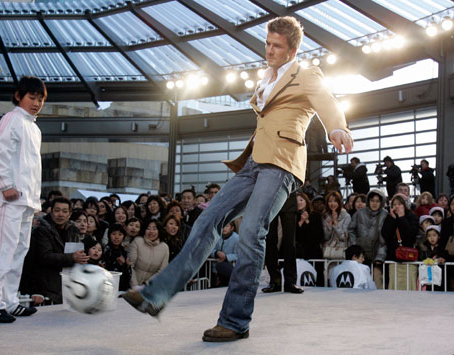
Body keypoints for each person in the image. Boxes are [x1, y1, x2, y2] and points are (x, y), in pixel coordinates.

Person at [122, 15, 353, 342]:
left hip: (283, 164)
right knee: (207, 220)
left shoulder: (307, 74)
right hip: (255, 162)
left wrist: (337, 127)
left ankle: (235, 320)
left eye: (277, 46)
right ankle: (155, 295)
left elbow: (327, 102)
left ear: (293, 49)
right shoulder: (268, 76)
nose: (269, 50)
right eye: (267, 43)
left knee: (251, 234)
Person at [0, 76, 46, 323]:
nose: (37, 103)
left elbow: (31, 168)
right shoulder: (11, 119)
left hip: (26, 200)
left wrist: (34, 201)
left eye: (40, 99)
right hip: (10, 197)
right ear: (19, 96)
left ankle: (9, 300)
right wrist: (4, 184)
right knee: (4, 250)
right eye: (32, 97)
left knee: (19, 250)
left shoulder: (34, 127)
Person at [26, 197, 87, 305]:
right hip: (45, 286)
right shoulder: (42, 230)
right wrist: (72, 257)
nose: (60, 214)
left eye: (64, 211)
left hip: (66, 286)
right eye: (57, 210)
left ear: (69, 214)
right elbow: (45, 257)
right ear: (51, 211)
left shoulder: (73, 230)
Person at [262, 193, 303, 294]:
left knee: (290, 242)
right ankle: (275, 281)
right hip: (269, 196)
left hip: (288, 194)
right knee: (270, 241)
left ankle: (290, 282)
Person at [348, 190, 388, 289]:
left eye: (377, 201)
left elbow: (384, 238)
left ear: (381, 202)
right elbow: (351, 230)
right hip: (360, 252)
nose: (374, 203)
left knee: (377, 280)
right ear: (368, 201)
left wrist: (380, 256)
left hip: (376, 253)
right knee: (359, 279)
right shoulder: (359, 213)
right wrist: (354, 247)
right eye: (372, 200)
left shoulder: (385, 214)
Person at [381, 194, 419, 290]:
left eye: (400, 204)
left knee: (410, 287)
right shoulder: (389, 217)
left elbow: (411, 234)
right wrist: (393, 219)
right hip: (393, 259)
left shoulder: (412, 216)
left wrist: (402, 218)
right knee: (394, 287)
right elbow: (385, 234)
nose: (397, 206)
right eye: (394, 204)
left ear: (404, 205)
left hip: (409, 260)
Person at [294, 192, 324, 286]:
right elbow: (293, 235)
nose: (299, 203)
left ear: (306, 201)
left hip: (314, 251)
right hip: (298, 252)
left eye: (301, 200)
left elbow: (320, 235)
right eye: (296, 201)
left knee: (317, 277)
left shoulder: (316, 215)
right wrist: (301, 221)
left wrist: (307, 221)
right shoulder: (292, 216)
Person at [128, 220, 169, 287]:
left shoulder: (164, 247)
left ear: (159, 231)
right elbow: (130, 266)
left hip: (151, 287)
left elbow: (162, 271)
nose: (151, 231)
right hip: (132, 286)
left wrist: (146, 285)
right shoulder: (137, 241)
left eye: (154, 229)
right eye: (148, 228)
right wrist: (135, 286)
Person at [210, 221, 239, 287]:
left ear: (232, 228)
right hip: (214, 268)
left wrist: (226, 257)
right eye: (222, 226)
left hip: (229, 267)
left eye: (226, 226)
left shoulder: (236, 238)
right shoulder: (216, 236)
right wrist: (216, 252)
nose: (224, 228)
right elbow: (210, 249)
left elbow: (238, 254)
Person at [103, 224, 131, 291]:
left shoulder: (123, 252)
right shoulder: (105, 250)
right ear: (109, 235)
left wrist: (126, 266)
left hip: (121, 288)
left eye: (120, 234)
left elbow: (128, 275)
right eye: (114, 234)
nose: (117, 237)